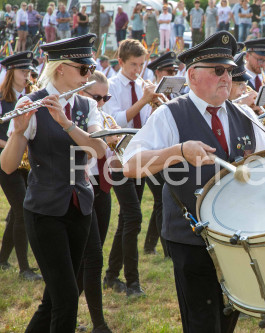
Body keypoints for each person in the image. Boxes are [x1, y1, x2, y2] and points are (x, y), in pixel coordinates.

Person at [122, 30, 265, 333]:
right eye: (218, 70)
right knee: (202, 324)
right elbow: (129, 166)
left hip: (236, 237)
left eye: (230, 71)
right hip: (191, 239)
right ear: (192, 75)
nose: (226, 77)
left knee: (227, 320)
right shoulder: (170, 114)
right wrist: (178, 151)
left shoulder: (244, 114)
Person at [0, 33, 107, 331]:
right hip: (45, 211)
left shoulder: (87, 107)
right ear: (61, 68)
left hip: (80, 207)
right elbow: (7, 166)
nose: (89, 74)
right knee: (67, 298)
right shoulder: (30, 103)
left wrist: (66, 123)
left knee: (57, 297)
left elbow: (98, 150)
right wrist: (19, 132)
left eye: (90, 68)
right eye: (83, 69)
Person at [102, 38, 161, 297]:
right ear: (121, 62)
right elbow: (116, 120)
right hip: (116, 158)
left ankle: (111, 275)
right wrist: (143, 101)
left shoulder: (142, 85)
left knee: (127, 217)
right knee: (134, 217)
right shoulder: (111, 86)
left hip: (138, 157)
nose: (138, 70)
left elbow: (146, 123)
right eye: (134, 65)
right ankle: (132, 282)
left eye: (141, 64)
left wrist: (156, 106)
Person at [77, 70, 114, 333]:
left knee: (93, 255)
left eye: (106, 98)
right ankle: (98, 323)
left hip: (103, 188)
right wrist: (101, 141)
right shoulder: (78, 115)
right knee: (92, 259)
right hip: (82, 187)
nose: (101, 103)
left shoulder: (99, 115)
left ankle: (65, 309)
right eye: (96, 97)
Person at [0, 52, 42, 281]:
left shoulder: (29, 97)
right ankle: (24, 268)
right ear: (11, 72)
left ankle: (3, 258)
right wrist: (12, 143)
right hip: (5, 161)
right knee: (23, 211)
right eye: (23, 71)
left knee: (16, 212)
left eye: (29, 72)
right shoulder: (1, 99)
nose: (27, 75)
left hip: (26, 161)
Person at [142, 51, 180, 258]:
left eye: (175, 71)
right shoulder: (147, 91)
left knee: (162, 199)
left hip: (170, 153)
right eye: (169, 71)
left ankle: (149, 245)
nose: (173, 74)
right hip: (150, 153)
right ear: (158, 73)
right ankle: (167, 251)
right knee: (160, 199)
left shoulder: (176, 94)